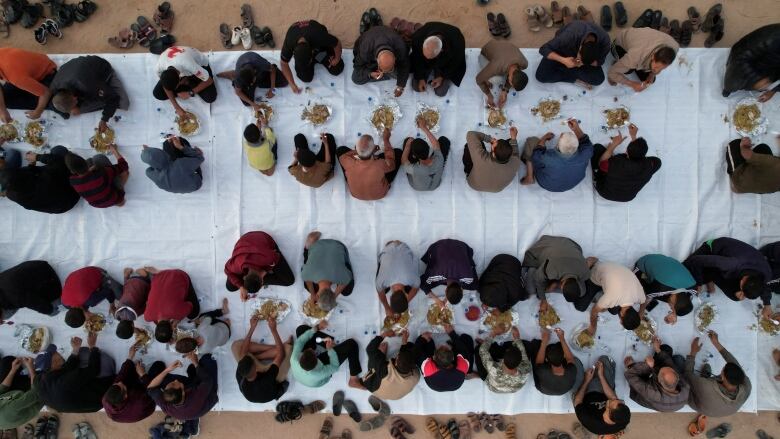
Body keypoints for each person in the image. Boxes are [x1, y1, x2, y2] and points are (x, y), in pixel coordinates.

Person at [684, 237, 773, 318]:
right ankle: (709, 276)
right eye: (742, 290)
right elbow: (696, 260)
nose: (742, 294)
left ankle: (710, 276)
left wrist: (767, 305)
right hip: (711, 249)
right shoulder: (730, 264)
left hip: (736, 264)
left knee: (736, 296)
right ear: (742, 280)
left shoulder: (766, 275)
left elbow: (764, 287)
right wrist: (698, 283)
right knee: (687, 274)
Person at [35, 334, 116, 413]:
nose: (57, 352)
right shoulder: (63, 384)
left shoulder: (45, 377)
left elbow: (65, 369)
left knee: (82, 353)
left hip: (75, 394)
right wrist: (92, 346)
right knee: (104, 359)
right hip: (102, 395)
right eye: (54, 353)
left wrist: (75, 350)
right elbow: (93, 370)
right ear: (53, 364)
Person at [49, 55, 129, 131]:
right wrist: (73, 108)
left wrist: (104, 119)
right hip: (76, 69)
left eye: (75, 104)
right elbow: (58, 104)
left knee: (124, 103)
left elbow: (113, 97)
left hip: (103, 68)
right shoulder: (54, 88)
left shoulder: (88, 86)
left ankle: (105, 85)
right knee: (77, 111)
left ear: (75, 97)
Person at [686, 331, 751, 417]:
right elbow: (734, 364)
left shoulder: (706, 386)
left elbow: (687, 374)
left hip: (701, 405)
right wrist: (716, 343)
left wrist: (693, 352)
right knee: (703, 380)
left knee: (684, 378)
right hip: (723, 409)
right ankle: (704, 376)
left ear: (722, 377)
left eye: (723, 370)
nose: (722, 369)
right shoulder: (747, 386)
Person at [592, 123, 662, 202]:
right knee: (654, 160)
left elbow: (601, 163)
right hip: (627, 197)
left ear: (626, 152)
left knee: (597, 149)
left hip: (605, 192)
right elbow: (658, 163)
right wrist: (633, 137)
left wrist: (613, 146)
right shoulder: (650, 165)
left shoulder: (617, 162)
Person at [522, 235, 591, 311]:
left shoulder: (585, 273)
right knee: (530, 289)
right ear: (562, 285)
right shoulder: (552, 270)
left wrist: (554, 285)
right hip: (546, 245)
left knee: (582, 291)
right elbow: (538, 278)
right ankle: (534, 268)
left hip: (570, 245)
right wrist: (543, 300)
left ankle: (551, 284)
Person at [232, 314, 292, 403]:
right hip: (273, 382)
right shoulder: (267, 380)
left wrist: (252, 327)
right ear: (255, 368)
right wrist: (273, 329)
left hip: (254, 378)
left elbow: (243, 353)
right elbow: (281, 355)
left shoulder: (242, 373)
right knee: (287, 349)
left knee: (236, 346)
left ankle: (262, 354)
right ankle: (276, 348)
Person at [521, 119, 593, 191]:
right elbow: (585, 141)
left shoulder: (547, 158)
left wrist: (544, 138)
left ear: (557, 146)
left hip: (547, 184)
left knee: (532, 141)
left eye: (561, 137)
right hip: (571, 184)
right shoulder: (586, 152)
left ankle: (529, 177)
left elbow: (536, 154)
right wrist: (576, 129)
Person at [0, 147, 80, 213]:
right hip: (72, 193)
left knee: (12, 154)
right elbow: (58, 161)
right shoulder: (47, 178)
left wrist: (31, 166)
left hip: (58, 208)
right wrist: (37, 157)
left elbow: (29, 177)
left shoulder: (12, 195)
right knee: (58, 150)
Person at [536, 20, 611, 88]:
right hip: (563, 50)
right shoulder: (569, 35)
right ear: (580, 48)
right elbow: (543, 49)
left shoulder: (605, 42)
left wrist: (590, 63)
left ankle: (564, 69)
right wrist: (563, 60)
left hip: (585, 59)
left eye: (581, 63)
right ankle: (568, 72)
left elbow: (600, 61)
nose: (579, 63)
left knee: (598, 79)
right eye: (579, 59)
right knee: (541, 76)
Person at [147, 352, 219, 422]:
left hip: (189, 395)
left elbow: (150, 388)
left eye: (171, 384)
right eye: (175, 383)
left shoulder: (166, 404)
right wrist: (195, 362)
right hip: (208, 394)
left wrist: (167, 370)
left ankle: (194, 374)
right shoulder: (196, 396)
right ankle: (195, 374)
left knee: (156, 371)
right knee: (208, 358)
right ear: (184, 392)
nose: (175, 380)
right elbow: (208, 381)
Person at [624, 335, 689, 412]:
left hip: (640, 394)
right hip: (668, 400)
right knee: (667, 349)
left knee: (634, 370)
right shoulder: (685, 387)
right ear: (677, 377)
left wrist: (647, 366)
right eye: (669, 369)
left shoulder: (652, 392)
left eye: (660, 370)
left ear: (659, 380)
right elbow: (670, 365)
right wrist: (657, 349)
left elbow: (630, 376)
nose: (668, 366)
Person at [224, 231, 295, 302]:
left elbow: (276, 256)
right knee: (230, 287)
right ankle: (250, 284)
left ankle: (252, 283)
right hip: (244, 244)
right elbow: (227, 270)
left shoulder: (268, 259)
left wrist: (265, 270)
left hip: (262, 238)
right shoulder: (237, 264)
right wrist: (241, 286)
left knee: (289, 281)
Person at [291, 320, 363, 389]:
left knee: (300, 329)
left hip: (304, 373)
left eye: (308, 350)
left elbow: (300, 341)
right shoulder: (319, 373)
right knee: (352, 344)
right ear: (317, 359)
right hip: (318, 377)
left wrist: (317, 327)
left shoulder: (294, 358)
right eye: (313, 352)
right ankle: (353, 379)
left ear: (301, 357)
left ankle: (328, 341)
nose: (310, 349)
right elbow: (334, 366)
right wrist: (330, 350)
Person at [337, 128, 401, 201]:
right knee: (397, 153)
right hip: (379, 194)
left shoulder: (347, 161)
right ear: (373, 148)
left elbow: (343, 156)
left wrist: (360, 151)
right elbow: (391, 163)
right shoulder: (380, 164)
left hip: (355, 194)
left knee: (340, 150)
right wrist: (386, 139)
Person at [573, 356, 631, 436]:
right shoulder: (623, 420)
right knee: (604, 360)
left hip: (582, 397)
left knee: (573, 362)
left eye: (611, 402)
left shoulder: (590, 421)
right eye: (617, 400)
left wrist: (586, 381)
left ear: (608, 411)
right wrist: (601, 375)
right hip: (600, 392)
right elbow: (612, 397)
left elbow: (577, 401)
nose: (612, 399)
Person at [280, 20, 343, 93]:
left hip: (319, 52)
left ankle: (319, 58)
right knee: (305, 77)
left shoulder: (319, 36)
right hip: (311, 52)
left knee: (337, 68)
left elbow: (337, 43)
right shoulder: (290, 42)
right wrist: (292, 84)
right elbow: (283, 63)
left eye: (309, 61)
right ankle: (311, 62)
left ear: (312, 52)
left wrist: (337, 59)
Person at [586, 258, 646, 335]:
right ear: (622, 319)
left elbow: (643, 301)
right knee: (581, 306)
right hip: (596, 270)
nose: (620, 322)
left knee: (613, 310)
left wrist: (641, 312)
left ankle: (606, 285)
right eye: (621, 322)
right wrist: (593, 327)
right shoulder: (612, 298)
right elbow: (594, 311)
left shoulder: (639, 297)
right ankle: (591, 263)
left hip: (615, 268)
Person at [608, 28, 678, 92]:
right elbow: (611, 73)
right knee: (628, 70)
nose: (658, 71)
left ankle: (634, 66)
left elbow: (656, 69)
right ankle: (618, 62)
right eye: (656, 67)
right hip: (619, 44)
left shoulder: (674, 47)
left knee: (650, 80)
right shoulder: (635, 56)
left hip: (641, 45)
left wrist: (652, 75)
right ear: (653, 56)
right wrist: (633, 84)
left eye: (662, 69)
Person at [722, 24, 780, 102]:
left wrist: (773, 91)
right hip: (743, 59)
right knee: (733, 83)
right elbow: (741, 56)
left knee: (762, 86)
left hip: (770, 65)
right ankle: (728, 89)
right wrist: (756, 79)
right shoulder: (772, 38)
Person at [153, 46, 217, 117]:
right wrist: (177, 107)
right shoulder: (159, 68)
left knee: (210, 97)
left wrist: (190, 93)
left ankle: (189, 83)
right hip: (182, 71)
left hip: (199, 66)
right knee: (157, 93)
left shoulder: (189, 65)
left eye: (177, 86)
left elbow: (209, 80)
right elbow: (165, 86)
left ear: (179, 79)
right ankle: (188, 83)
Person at [634, 254, 696, 325]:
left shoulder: (693, 286)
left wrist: (675, 313)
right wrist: (641, 313)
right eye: (671, 308)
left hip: (666, 262)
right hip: (646, 261)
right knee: (639, 288)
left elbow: (686, 300)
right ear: (675, 301)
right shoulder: (661, 287)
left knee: (665, 296)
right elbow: (646, 297)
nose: (670, 308)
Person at [351, 25, 410, 97]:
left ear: (395, 58)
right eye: (381, 69)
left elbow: (404, 65)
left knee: (401, 76)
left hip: (386, 37)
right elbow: (357, 66)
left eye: (390, 69)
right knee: (355, 78)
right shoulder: (365, 49)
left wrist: (400, 87)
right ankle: (384, 74)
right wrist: (370, 73)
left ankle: (386, 73)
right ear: (377, 60)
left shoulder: (400, 47)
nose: (383, 72)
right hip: (370, 48)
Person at [102, 345, 156, 423]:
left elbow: (120, 377)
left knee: (128, 372)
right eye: (122, 386)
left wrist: (130, 357)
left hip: (131, 399)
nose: (120, 382)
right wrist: (143, 375)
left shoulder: (106, 398)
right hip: (148, 404)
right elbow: (152, 392)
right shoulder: (140, 401)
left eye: (116, 384)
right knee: (158, 367)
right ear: (125, 396)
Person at [359, 329, 419, 400]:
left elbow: (370, 349)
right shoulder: (416, 375)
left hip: (376, 388)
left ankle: (358, 383)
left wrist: (384, 334)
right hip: (395, 395)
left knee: (375, 359)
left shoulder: (383, 370)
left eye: (398, 356)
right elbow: (406, 360)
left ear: (396, 362)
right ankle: (381, 354)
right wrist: (404, 343)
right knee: (410, 346)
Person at [410, 22, 466, 97]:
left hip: (446, 64)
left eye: (432, 57)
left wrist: (442, 77)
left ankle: (438, 71)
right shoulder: (418, 37)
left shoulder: (457, 41)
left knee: (441, 92)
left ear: (441, 50)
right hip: (425, 63)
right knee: (416, 87)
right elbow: (417, 58)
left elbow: (455, 63)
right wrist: (420, 77)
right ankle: (427, 68)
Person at [143, 269, 201, 343]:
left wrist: (178, 318)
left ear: (172, 328)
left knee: (194, 314)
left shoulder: (177, 313)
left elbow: (190, 305)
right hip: (158, 277)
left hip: (179, 275)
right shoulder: (147, 317)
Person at [300, 232, 354, 310]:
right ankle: (309, 245)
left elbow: (347, 280)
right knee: (347, 291)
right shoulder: (307, 274)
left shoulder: (341, 277)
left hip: (336, 246)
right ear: (317, 296)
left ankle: (310, 244)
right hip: (323, 246)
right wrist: (312, 294)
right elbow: (307, 280)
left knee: (347, 289)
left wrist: (334, 295)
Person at [65, 143, 129, 208]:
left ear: (72, 171)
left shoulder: (73, 181)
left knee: (91, 160)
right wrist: (114, 150)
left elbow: (85, 179)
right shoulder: (102, 173)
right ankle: (120, 202)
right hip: (114, 199)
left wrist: (91, 170)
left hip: (97, 205)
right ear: (84, 163)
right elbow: (124, 165)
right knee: (99, 158)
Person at [0, 48, 56, 121]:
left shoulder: (16, 78)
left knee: (52, 101)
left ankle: (54, 103)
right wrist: (3, 111)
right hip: (35, 65)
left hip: (47, 74)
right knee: (5, 100)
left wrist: (38, 112)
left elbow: (46, 92)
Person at [419, 238, 478, 307]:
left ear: (461, 290)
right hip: (439, 245)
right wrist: (436, 299)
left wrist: (446, 298)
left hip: (461, 246)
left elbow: (472, 268)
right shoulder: (436, 275)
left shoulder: (469, 278)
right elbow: (421, 283)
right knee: (428, 284)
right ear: (445, 290)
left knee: (474, 285)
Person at [217, 51, 287, 107]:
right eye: (251, 84)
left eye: (252, 82)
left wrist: (272, 89)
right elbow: (238, 91)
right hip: (244, 76)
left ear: (255, 72)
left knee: (284, 81)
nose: (252, 84)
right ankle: (232, 76)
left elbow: (273, 70)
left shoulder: (260, 63)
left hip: (259, 73)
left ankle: (235, 75)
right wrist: (254, 105)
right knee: (248, 103)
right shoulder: (240, 76)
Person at [463, 127, 523, 193]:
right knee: (510, 142)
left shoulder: (481, 158)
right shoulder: (516, 163)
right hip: (496, 190)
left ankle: (467, 171)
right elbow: (515, 153)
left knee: (469, 147)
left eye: (493, 146)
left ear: (494, 154)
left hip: (474, 184)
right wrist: (513, 138)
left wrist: (490, 139)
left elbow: (470, 134)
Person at [415, 326, 473, 392]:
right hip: (455, 385)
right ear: (453, 357)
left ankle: (428, 343)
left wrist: (422, 339)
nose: (443, 345)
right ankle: (469, 372)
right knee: (467, 339)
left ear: (433, 357)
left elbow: (416, 352)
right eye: (446, 348)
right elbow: (463, 350)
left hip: (435, 384)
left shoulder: (428, 367)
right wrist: (452, 334)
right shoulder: (462, 366)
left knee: (428, 343)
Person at [475, 326, 531, 394]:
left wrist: (494, 333)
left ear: (502, 359)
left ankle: (490, 346)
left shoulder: (494, 369)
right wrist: (517, 337)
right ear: (520, 361)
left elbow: (482, 350)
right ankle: (493, 346)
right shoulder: (526, 368)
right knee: (524, 345)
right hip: (512, 388)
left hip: (494, 387)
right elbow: (523, 353)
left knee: (479, 349)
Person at [528, 328, 583, 396]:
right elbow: (570, 358)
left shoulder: (543, 370)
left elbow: (538, 362)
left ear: (546, 360)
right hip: (564, 389)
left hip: (543, 389)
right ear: (563, 357)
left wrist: (544, 342)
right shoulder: (572, 370)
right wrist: (562, 338)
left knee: (536, 349)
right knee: (563, 348)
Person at [401, 117, 450, 191]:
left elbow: (403, 161)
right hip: (434, 185)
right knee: (444, 141)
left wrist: (408, 145)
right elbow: (436, 145)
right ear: (429, 148)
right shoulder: (439, 159)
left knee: (407, 141)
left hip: (417, 186)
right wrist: (424, 128)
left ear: (414, 156)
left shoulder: (413, 169)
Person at [476, 39, 528, 108]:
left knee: (501, 77)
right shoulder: (497, 66)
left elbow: (512, 77)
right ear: (510, 78)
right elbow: (478, 79)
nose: (510, 86)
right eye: (511, 84)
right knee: (496, 80)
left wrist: (505, 91)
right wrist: (489, 96)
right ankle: (486, 74)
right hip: (486, 52)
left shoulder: (524, 63)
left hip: (502, 44)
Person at [376, 240, 420, 317]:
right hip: (394, 249)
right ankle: (392, 246)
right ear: (390, 297)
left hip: (402, 248)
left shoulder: (413, 279)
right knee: (383, 289)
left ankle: (392, 246)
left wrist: (403, 303)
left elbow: (415, 289)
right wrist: (387, 308)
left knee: (383, 289)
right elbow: (415, 290)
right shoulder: (381, 282)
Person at [0, 356, 42, 430]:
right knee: (44, 373)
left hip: (14, 396)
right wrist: (30, 367)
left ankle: (26, 376)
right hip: (36, 398)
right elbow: (35, 392)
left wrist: (13, 370)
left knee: (7, 361)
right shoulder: (8, 411)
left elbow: (2, 388)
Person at [114, 267, 154, 339]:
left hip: (142, 283)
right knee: (125, 293)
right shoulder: (117, 314)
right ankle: (126, 275)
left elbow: (146, 306)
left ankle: (145, 276)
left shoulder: (133, 315)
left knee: (150, 292)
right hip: (128, 282)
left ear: (133, 326)